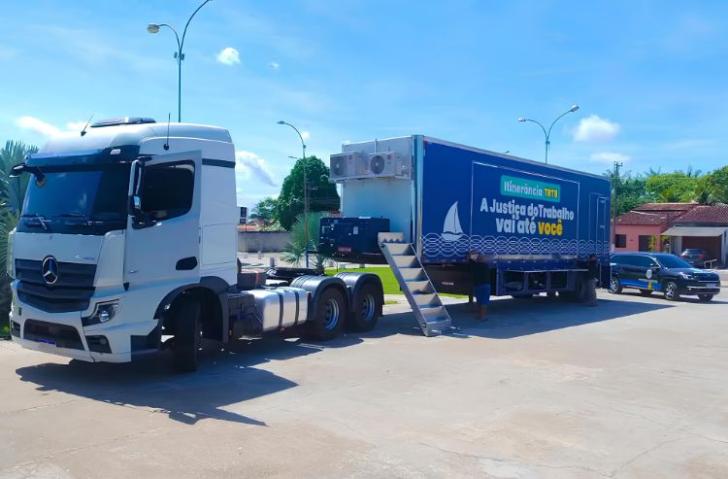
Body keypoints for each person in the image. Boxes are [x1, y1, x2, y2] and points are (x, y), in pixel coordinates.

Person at [469, 252, 491, 319]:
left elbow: (470, 259)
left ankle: (479, 315)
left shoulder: (474, 266)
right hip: (485, 286)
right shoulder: (485, 266)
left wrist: (471, 254)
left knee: (479, 301)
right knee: (484, 302)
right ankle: (482, 316)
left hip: (477, 286)